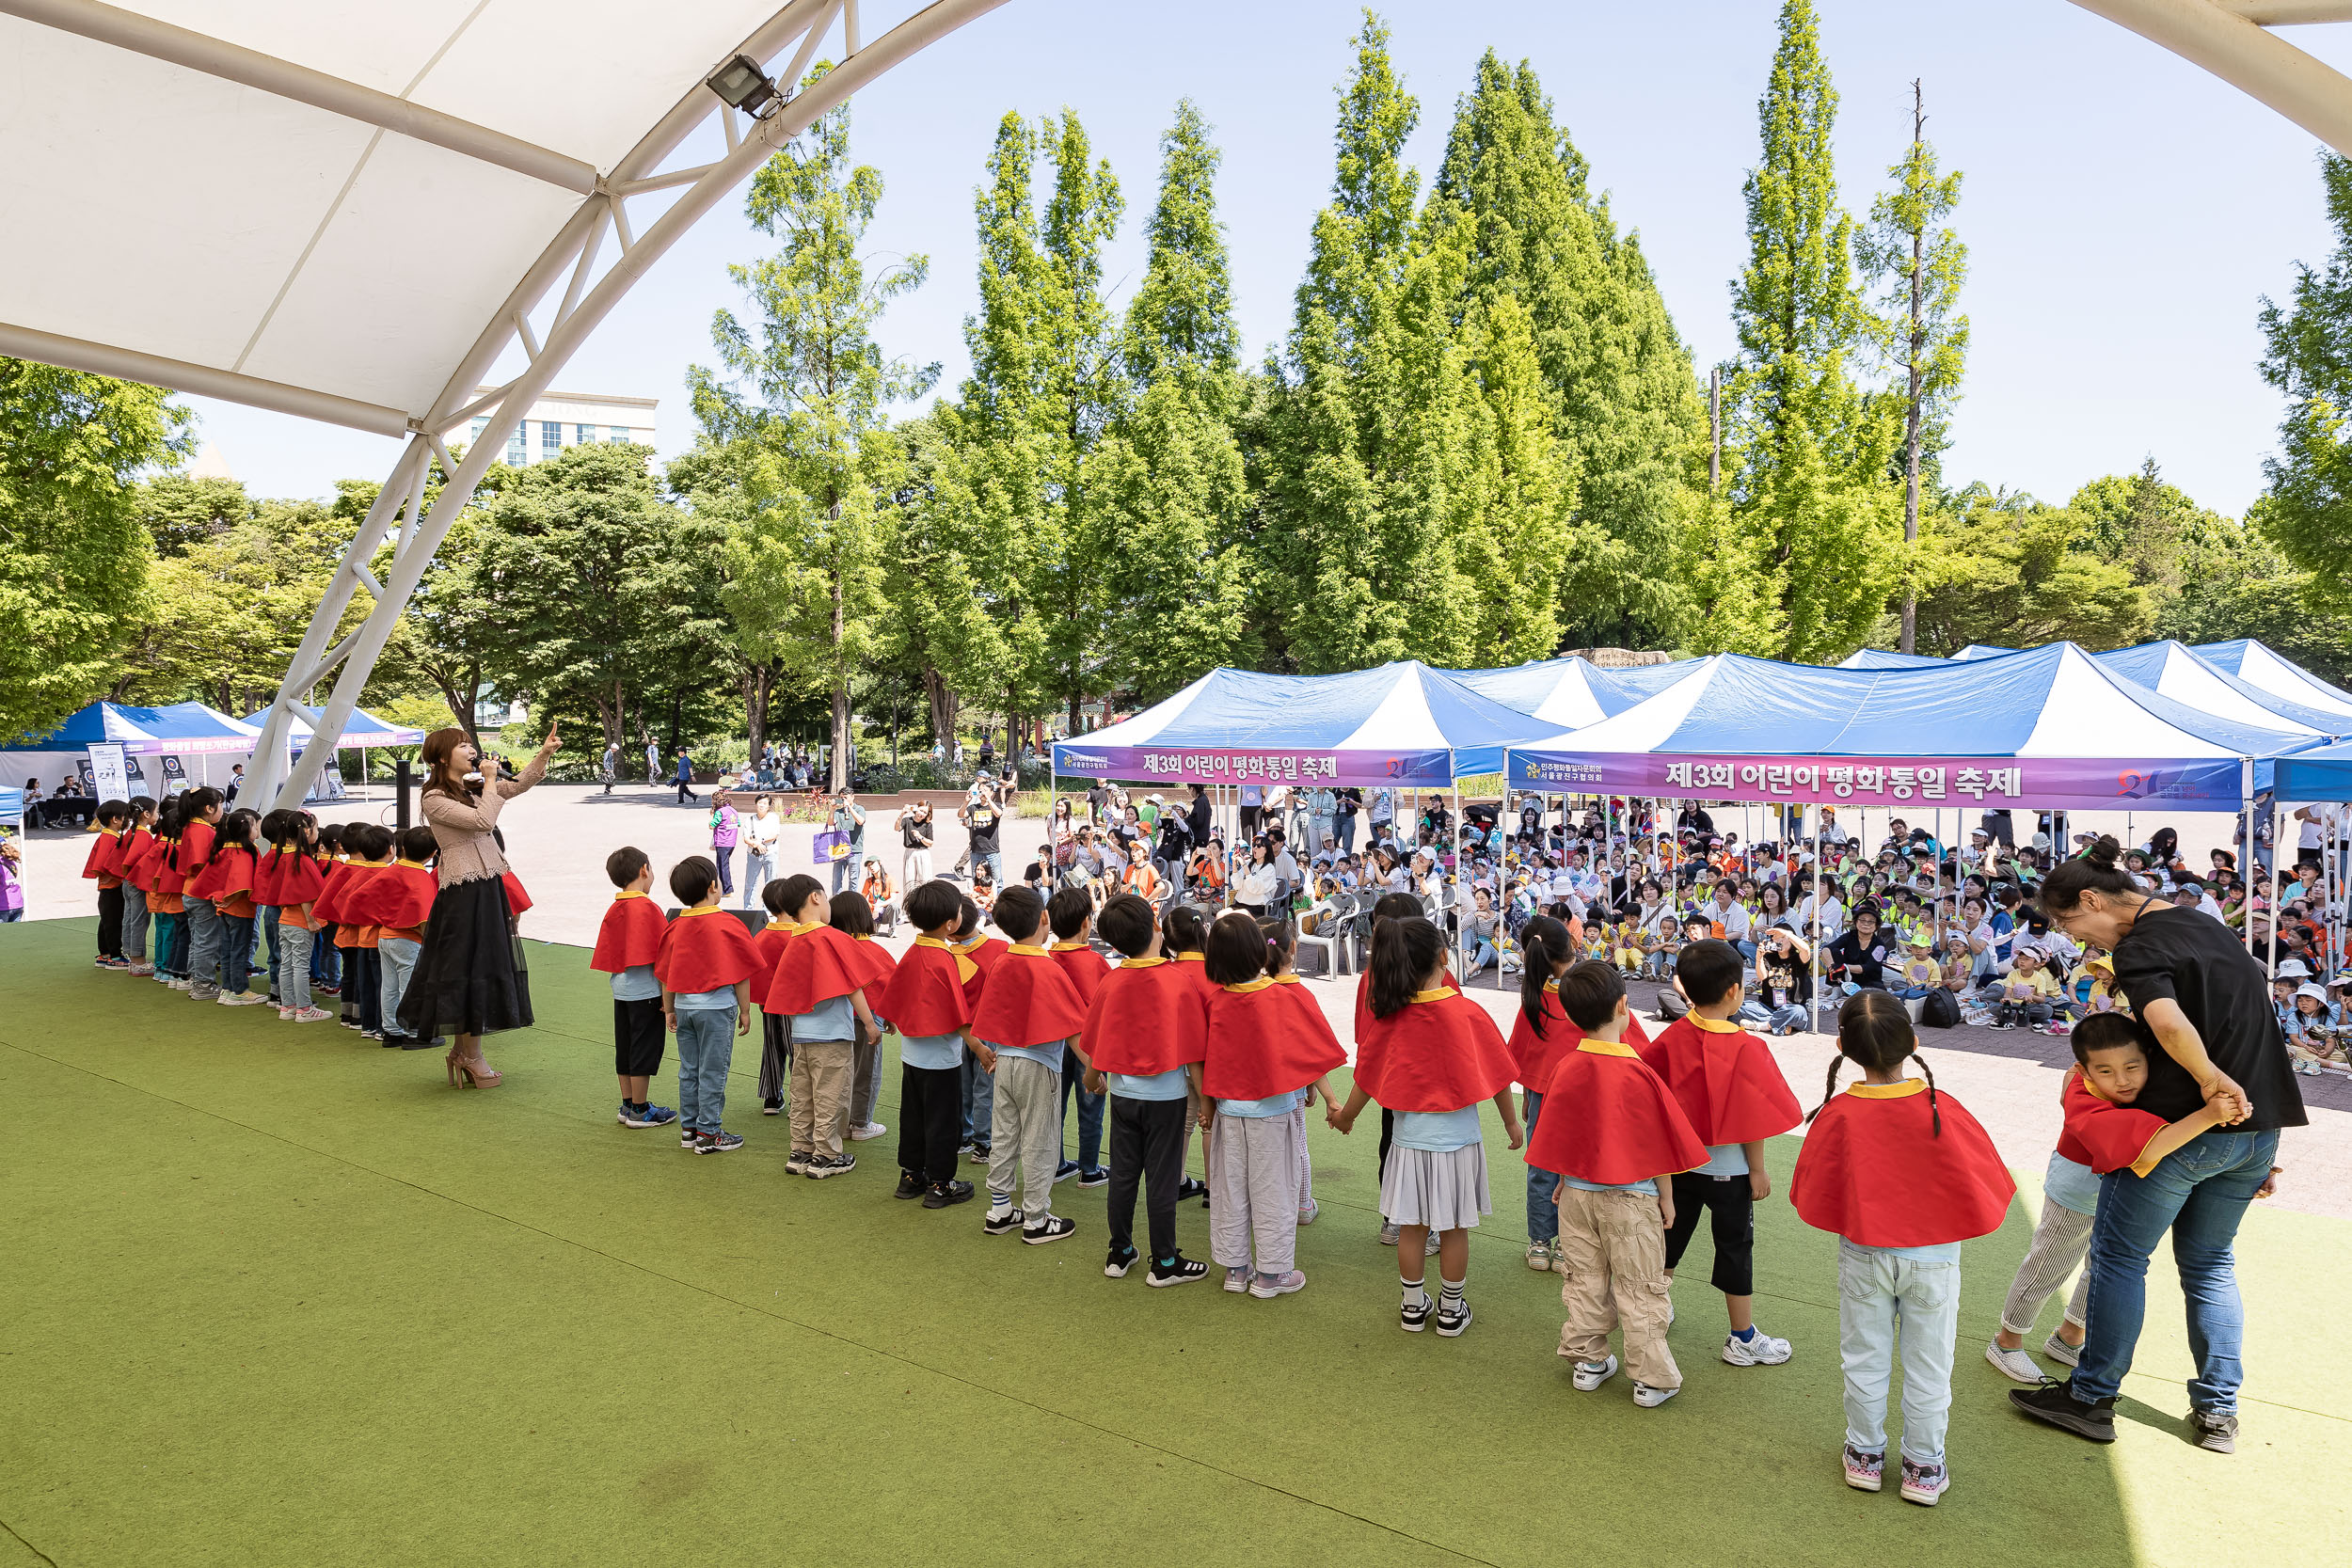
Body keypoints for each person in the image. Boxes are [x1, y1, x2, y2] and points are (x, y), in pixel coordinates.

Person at [2012, 835, 2303, 1453]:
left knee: (2119, 1259)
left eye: (2072, 923)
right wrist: (2258, 1127)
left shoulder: (2140, 947)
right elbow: (2252, 1020)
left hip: (2181, 1131)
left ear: (2092, 898)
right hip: (2253, 1130)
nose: (2080, 939)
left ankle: (2090, 1398)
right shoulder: (2204, 924)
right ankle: (2218, 1413)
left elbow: (2169, 1022)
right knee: (2211, 1266)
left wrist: (2207, 1079)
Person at [1790, 991, 2016, 1506]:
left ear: (1844, 1047)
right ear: (1913, 1042)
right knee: (1930, 1364)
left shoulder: (1840, 1112)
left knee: (1864, 1359)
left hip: (1864, 1254)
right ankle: (1923, 1465)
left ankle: (1864, 1455)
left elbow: (1812, 1184)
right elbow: (1985, 1176)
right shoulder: (1940, 1106)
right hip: (1933, 1257)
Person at [1526, 960, 1705, 1408]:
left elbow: (1562, 1132)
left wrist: (1566, 1179)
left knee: (1585, 1278)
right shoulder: (1640, 1072)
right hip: (1634, 1197)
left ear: (1568, 1014)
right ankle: (1650, 1378)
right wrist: (1666, 1196)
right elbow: (1658, 1143)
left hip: (1577, 1196)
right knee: (1640, 1285)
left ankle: (1587, 1361)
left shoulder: (1567, 1067)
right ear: (1625, 1006)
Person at [1334, 915, 1524, 1336]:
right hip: (1458, 1143)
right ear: (1444, 956)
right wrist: (1511, 1124)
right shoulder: (1469, 1013)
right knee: (1455, 1229)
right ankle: (1452, 1312)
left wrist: (1345, 1118)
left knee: (1412, 1228)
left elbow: (1364, 1078)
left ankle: (1412, 1307)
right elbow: (1497, 1075)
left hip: (1407, 1143)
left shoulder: (1389, 1018)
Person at [1639, 938, 1803, 1367]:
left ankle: (1650, 1318)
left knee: (1667, 1242)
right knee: (1735, 1248)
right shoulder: (1749, 1047)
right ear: (1734, 991)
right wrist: (1758, 1169)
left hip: (1679, 1168)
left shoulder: (1671, 1039)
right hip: (1730, 1171)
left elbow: (1649, 1101)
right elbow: (1755, 1117)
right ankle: (1742, 1336)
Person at [398, 724, 559, 1086]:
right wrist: (488, 780)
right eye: (462, 745)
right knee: (469, 969)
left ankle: (465, 1051)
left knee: (482, 967)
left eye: (470, 744)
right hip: (462, 892)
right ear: (442, 756)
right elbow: (483, 821)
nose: (471, 749)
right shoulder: (434, 797)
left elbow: (516, 785)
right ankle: (471, 1054)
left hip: (486, 886)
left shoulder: (471, 789)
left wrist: (544, 753)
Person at [1200, 911, 1347, 1299]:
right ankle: (1270, 1275)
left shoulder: (1215, 1001)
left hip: (1229, 1112)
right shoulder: (1280, 998)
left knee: (1231, 1189)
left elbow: (1204, 1058)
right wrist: (1329, 1097)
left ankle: (1236, 1269)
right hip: (1272, 1112)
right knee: (1275, 1191)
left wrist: (1208, 1105)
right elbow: (1309, 1051)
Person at [1510, 915, 1655, 1272]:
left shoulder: (1537, 995)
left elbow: (1525, 1053)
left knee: (1544, 1166)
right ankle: (1565, 1243)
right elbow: (1634, 1041)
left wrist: (1529, 1093)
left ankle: (1541, 1241)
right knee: (1582, 1168)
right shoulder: (1595, 985)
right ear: (1573, 943)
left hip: (1549, 1094)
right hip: (1595, 1095)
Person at [1081, 894, 1211, 1286]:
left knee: (1122, 1175)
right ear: (1156, 927)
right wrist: (1206, 1102)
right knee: (1162, 1177)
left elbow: (1096, 1041)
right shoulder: (1178, 981)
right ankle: (1165, 1261)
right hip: (1167, 1098)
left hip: (1122, 1095)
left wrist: (1092, 1079)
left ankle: (1119, 1251)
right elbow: (1193, 1053)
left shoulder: (1112, 980)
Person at [971, 887, 1089, 1245]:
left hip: (1004, 1061)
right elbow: (1074, 1028)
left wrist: (986, 1050)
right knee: (1041, 1139)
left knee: (1004, 1136)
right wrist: (1095, 1070)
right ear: (1044, 919)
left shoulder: (1002, 961)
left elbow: (990, 1012)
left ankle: (1000, 1208)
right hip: (1039, 1066)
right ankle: (1036, 1217)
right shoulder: (1047, 967)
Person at [877, 878, 989, 1209]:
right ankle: (941, 1183)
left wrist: (891, 1020)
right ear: (951, 922)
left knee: (913, 1117)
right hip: (942, 1059)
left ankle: (911, 1176)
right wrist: (980, 1049)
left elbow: (896, 994)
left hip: (912, 1055)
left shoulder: (913, 952)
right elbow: (958, 1015)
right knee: (943, 1121)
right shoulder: (944, 959)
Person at [767, 877, 877, 1178]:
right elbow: (853, 985)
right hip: (833, 1035)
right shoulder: (833, 937)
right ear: (816, 898)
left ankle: (800, 1150)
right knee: (832, 1096)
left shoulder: (794, 940)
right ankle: (827, 1155)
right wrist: (869, 1022)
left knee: (803, 1096)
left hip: (801, 1035)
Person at [655, 856, 762, 1155]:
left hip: (685, 1008)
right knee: (713, 1071)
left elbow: (665, 975)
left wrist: (671, 1009)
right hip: (717, 1009)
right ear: (714, 886)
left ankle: (690, 1130)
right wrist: (745, 1010)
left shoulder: (674, 928)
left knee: (689, 1069)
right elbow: (741, 972)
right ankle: (710, 1133)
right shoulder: (728, 924)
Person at [588, 846, 676, 1130]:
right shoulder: (648, 908)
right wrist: (668, 997)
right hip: (647, 992)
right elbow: (662, 956)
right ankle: (640, 1109)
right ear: (644, 870)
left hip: (621, 989)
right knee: (644, 1048)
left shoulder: (615, 908)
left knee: (625, 1047)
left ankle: (628, 1103)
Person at [346, 827, 443, 1051]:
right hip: (408, 940)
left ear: (402, 848)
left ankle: (391, 1031)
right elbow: (424, 918)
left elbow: (361, 897)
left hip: (384, 936)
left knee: (389, 987)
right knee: (409, 988)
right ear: (432, 853)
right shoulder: (421, 878)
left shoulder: (391, 870)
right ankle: (413, 1032)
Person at [1046, 888, 1110, 1186]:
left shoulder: (1045, 959)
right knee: (1091, 1107)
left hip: (1053, 1044)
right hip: (1088, 1045)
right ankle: (1090, 1167)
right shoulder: (1095, 962)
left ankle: (1058, 1163)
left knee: (1054, 1108)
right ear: (1087, 923)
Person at [740, 794, 781, 910]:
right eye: (759, 802)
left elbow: (775, 834)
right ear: (756, 804)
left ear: (769, 806)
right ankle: (748, 909)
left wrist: (761, 841)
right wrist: (756, 844)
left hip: (770, 852)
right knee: (750, 883)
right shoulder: (750, 819)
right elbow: (746, 838)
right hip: (754, 854)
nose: (762, 805)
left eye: (764, 803)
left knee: (771, 883)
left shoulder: (774, 818)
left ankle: (768, 910)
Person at [961, 785, 1003, 892]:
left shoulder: (996, 805)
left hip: (992, 850)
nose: (982, 792)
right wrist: (966, 802)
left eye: (985, 790)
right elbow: (960, 814)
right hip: (976, 850)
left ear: (992, 793)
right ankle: (978, 903)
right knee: (977, 879)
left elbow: (998, 813)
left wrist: (988, 800)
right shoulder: (973, 807)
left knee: (997, 880)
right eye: (981, 790)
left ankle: (999, 905)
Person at [826, 790, 866, 895]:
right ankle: (836, 902)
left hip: (855, 848)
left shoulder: (859, 809)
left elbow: (860, 821)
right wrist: (832, 810)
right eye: (841, 798)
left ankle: (851, 902)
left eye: (846, 797)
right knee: (836, 879)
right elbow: (830, 823)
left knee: (853, 879)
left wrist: (849, 808)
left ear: (853, 797)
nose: (843, 800)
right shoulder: (839, 812)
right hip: (840, 849)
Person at [707, 790, 739, 898]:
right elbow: (738, 823)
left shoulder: (720, 812)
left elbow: (712, 825)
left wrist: (711, 816)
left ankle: (727, 889)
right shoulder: (733, 810)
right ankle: (723, 888)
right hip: (732, 842)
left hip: (722, 841)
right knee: (724, 864)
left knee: (722, 866)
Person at [898, 799, 935, 889]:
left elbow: (930, 843)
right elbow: (897, 828)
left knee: (925, 881)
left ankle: (925, 902)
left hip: (923, 853)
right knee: (909, 881)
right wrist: (902, 814)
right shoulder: (907, 820)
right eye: (921, 810)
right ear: (916, 809)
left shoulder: (928, 825)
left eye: (925, 812)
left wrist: (920, 836)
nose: (921, 814)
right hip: (910, 852)